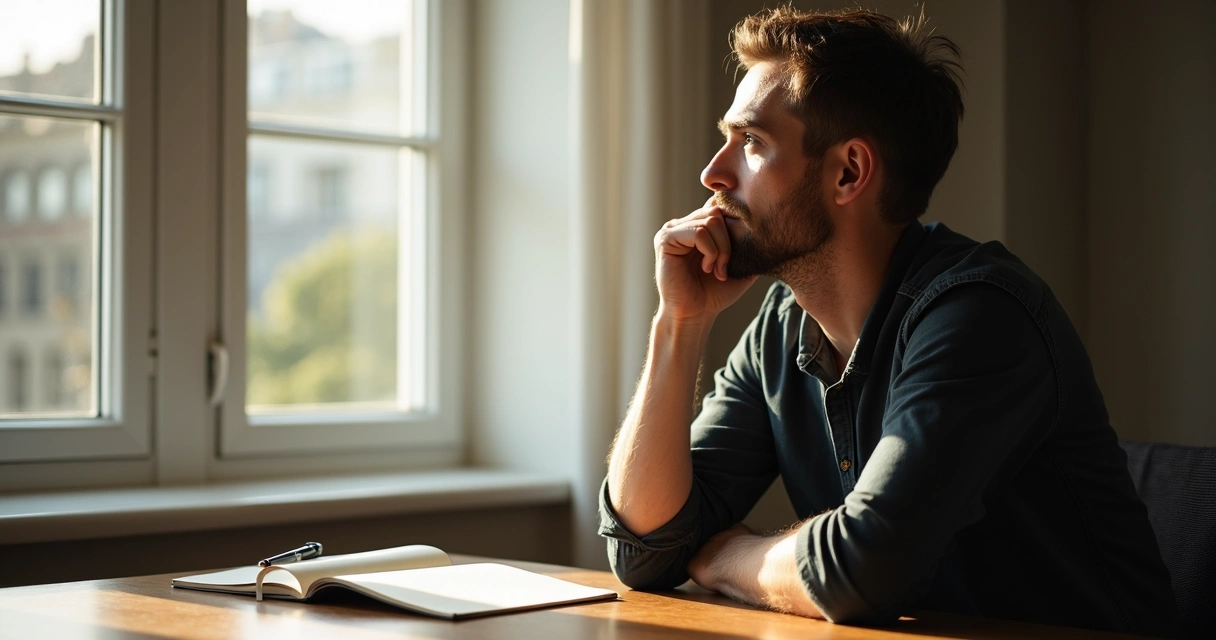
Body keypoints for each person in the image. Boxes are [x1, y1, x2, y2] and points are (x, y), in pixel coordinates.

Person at [598, 6, 1175, 635]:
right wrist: (679, 322)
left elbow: (862, 569)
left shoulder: (979, 315)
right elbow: (644, 549)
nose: (713, 173)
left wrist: (722, 556)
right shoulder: (780, 328)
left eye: (752, 142)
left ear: (849, 172)